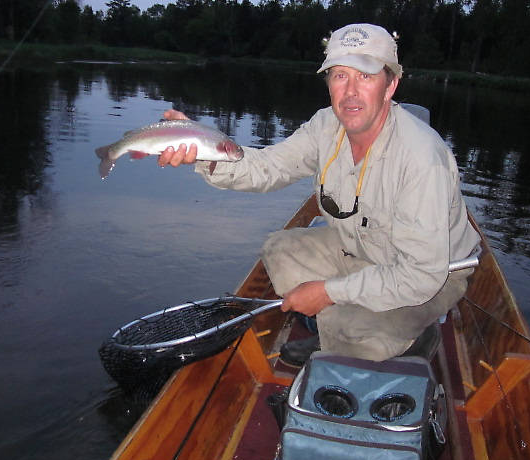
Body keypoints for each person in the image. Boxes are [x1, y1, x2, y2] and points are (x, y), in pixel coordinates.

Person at [158, 23, 481, 366]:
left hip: (432, 275)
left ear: (390, 86)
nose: (351, 92)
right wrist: (207, 150)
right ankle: (347, 324)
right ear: (328, 83)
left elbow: (419, 274)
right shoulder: (325, 126)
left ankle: (409, 334)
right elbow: (267, 167)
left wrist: (327, 292)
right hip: (363, 250)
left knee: (350, 328)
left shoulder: (421, 159)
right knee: (280, 252)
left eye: (366, 76)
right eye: (340, 76)